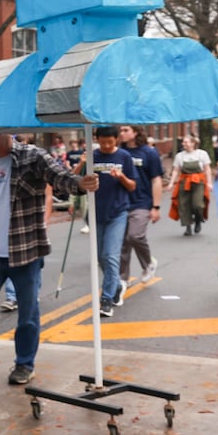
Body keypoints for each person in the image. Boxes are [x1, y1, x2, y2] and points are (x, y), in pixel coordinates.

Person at [0, 132, 98, 391]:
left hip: (25, 252)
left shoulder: (31, 156)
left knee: (28, 314)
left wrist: (82, 183)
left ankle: (25, 364)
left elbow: (59, 177)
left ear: (9, 131)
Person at [84, 127, 138, 317]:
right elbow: (75, 180)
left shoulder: (124, 157)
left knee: (110, 254)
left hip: (118, 212)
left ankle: (106, 299)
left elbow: (132, 186)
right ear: (97, 139)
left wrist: (121, 176)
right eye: (103, 142)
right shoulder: (91, 156)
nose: (106, 145)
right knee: (100, 257)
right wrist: (81, 164)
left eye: (110, 142)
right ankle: (115, 286)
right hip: (96, 212)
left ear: (116, 140)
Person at [117, 124, 162, 287]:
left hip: (142, 201)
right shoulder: (119, 152)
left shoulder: (148, 152)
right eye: (120, 130)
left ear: (135, 132)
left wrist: (156, 207)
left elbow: (156, 180)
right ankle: (122, 279)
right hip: (121, 201)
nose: (121, 133)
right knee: (122, 243)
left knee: (134, 235)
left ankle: (149, 262)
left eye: (125, 130)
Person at [167, 133, 213, 235]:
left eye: (186, 142)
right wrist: (171, 183)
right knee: (183, 204)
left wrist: (209, 183)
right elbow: (176, 170)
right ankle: (188, 227)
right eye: (183, 142)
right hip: (184, 181)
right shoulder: (180, 156)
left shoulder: (202, 154)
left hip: (198, 182)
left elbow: (207, 169)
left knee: (198, 205)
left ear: (193, 143)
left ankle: (198, 220)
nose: (184, 144)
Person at [64, 137, 89, 232]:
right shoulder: (70, 154)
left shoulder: (84, 153)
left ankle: (89, 223)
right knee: (83, 204)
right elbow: (72, 174)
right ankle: (87, 223)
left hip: (90, 181)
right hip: (80, 180)